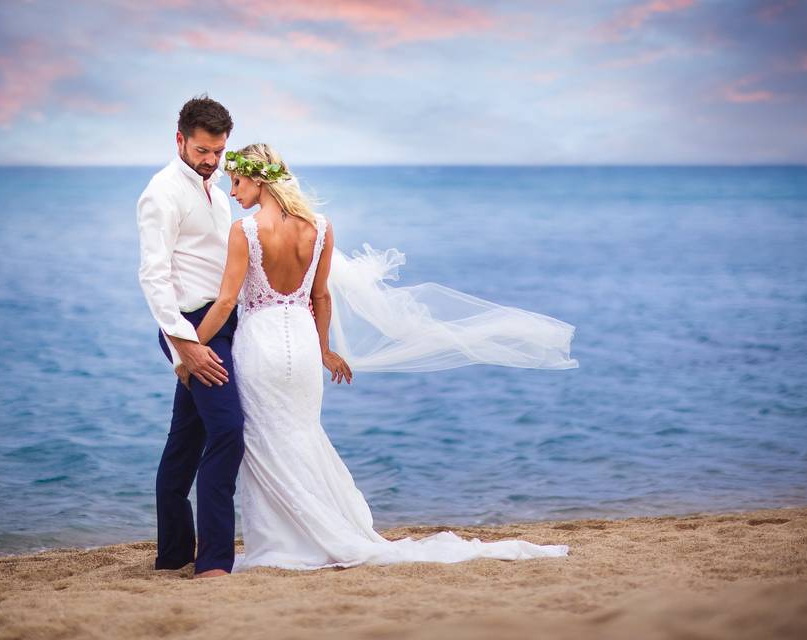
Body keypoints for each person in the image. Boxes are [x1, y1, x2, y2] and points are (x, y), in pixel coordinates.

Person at [181, 143, 576, 572]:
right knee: (300, 435)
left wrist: (189, 350)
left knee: (265, 444)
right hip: (302, 341)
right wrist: (326, 349)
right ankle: (314, 534)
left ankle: (283, 542)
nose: (233, 191)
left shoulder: (246, 231)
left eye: (237, 181)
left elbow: (224, 304)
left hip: (261, 345)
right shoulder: (321, 227)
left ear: (258, 179)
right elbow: (321, 296)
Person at [136, 96, 244, 578]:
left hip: (222, 323)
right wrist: (185, 345)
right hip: (192, 327)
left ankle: (174, 554)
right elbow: (153, 276)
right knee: (228, 431)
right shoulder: (161, 193)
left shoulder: (215, 191)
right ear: (179, 139)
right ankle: (214, 562)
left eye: (218, 152)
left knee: (186, 438)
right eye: (202, 150)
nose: (211, 160)